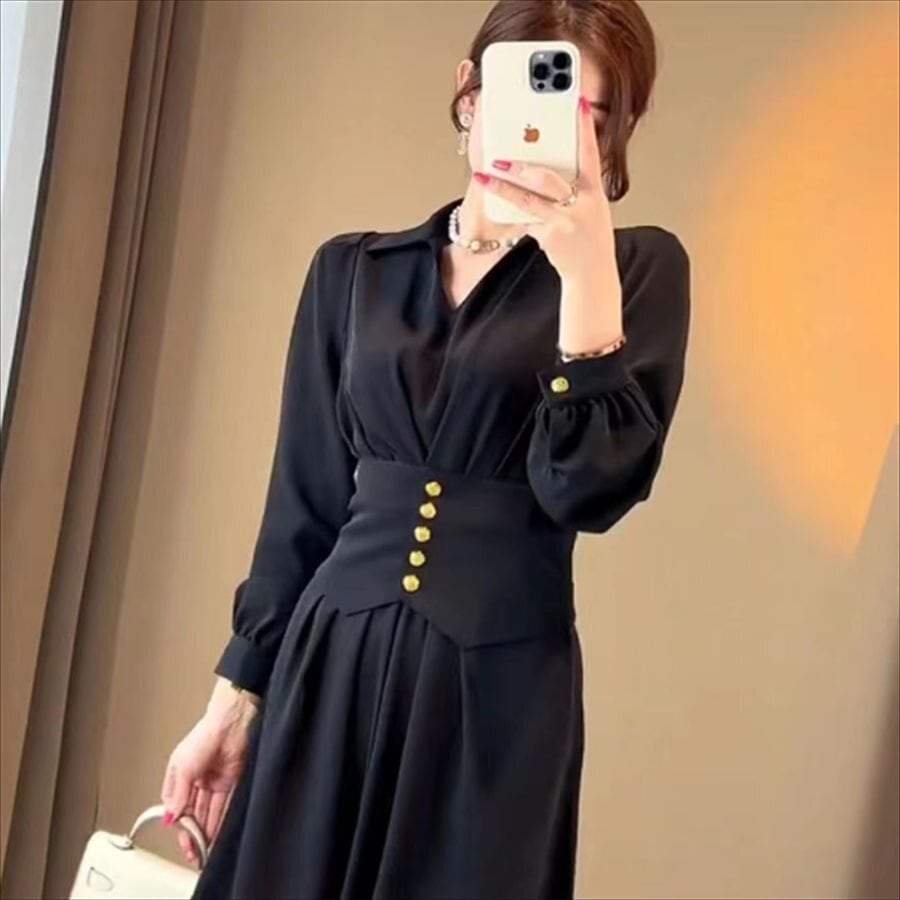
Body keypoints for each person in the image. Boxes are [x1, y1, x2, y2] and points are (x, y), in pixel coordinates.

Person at [161, 1, 691, 897]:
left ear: (614, 132)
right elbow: (303, 509)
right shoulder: (353, 272)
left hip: (495, 696)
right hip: (329, 675)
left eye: (584, 112)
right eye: (526, 93)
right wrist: (233, 701)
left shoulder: (636, 272)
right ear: (469, 92)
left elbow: (588, 493)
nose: (545, 127)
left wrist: (585, 279)